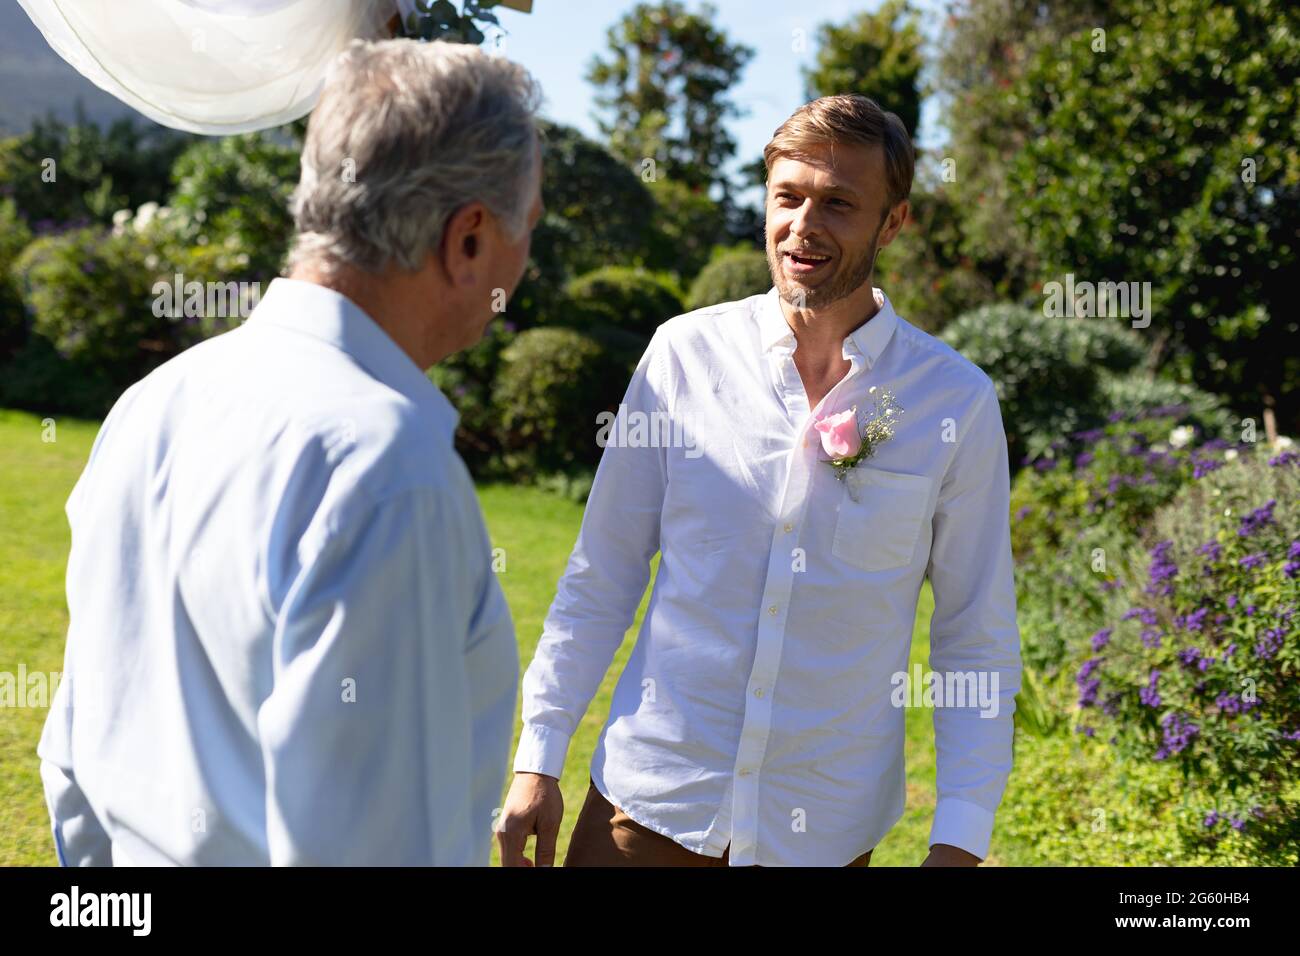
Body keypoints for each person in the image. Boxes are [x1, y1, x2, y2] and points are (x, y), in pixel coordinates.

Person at [37, 38, 543, 865]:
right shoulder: (385, 466)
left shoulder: (152, 402)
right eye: (531, 227)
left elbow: (76, 753)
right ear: (471, 240)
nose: (527, 260)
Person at [498, 94, 1022, 868]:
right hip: (646, 815)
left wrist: (962, 839)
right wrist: (538, 756)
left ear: (893, 222)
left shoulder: (955, 402)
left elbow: (974, 637)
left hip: (826, 833)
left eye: (839, 203)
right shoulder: (683, 357)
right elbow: (601, 571)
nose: (804, 226)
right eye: (788, 197)